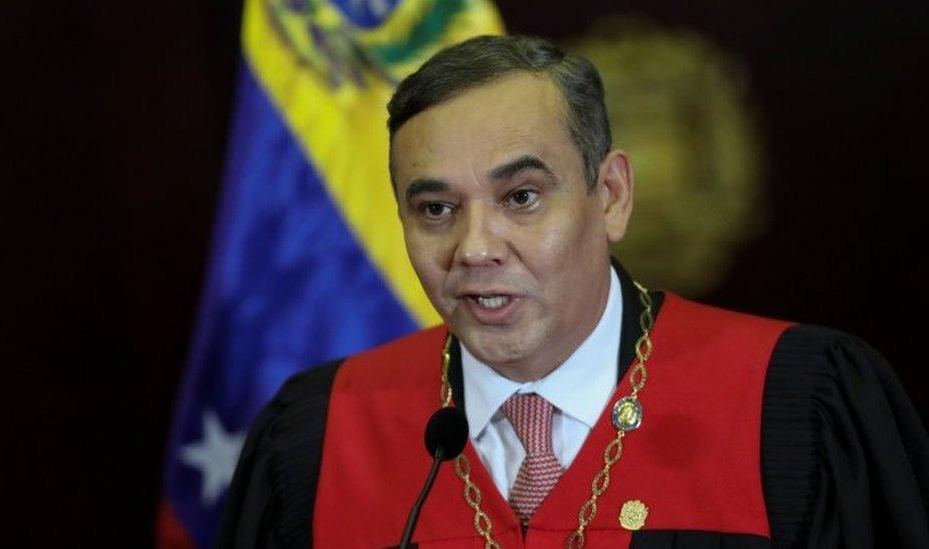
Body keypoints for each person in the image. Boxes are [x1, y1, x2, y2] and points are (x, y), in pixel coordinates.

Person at [217, 35, 929, 548]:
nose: (475, 247)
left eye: (521, 196)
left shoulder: (800, 406)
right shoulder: (318, 438)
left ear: (611, 195)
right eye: (436, 209)